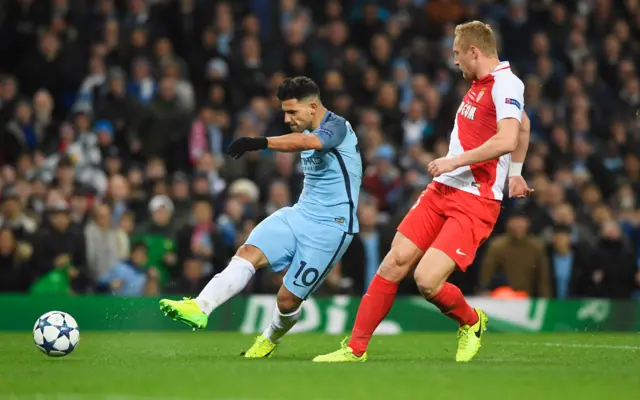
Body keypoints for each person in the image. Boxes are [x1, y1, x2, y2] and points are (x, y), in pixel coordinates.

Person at [314, 21, 533, 364]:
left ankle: (472, 322)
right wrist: (516, 173)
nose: (455, 61)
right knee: (393, 262)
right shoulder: (481, 84)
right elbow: (524, 123)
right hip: (442, 191)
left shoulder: (506, 82)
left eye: (458, 54)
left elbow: (508, 138)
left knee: (427, 281)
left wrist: (455, 161)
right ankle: (355, 349)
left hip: (475, 200)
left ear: (475, 51)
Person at [159, 76, 363, 357]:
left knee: (287, 299)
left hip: (332, 227)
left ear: (313, 107)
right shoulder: (305, 129)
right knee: (247, 252)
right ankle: (200, 307)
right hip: (300, 214)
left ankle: (269, 339)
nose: (288, 119)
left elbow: (308, 141)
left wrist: (259, 142)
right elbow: (301, 139)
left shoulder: (337, 127)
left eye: (293, 112)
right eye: (284, 112)